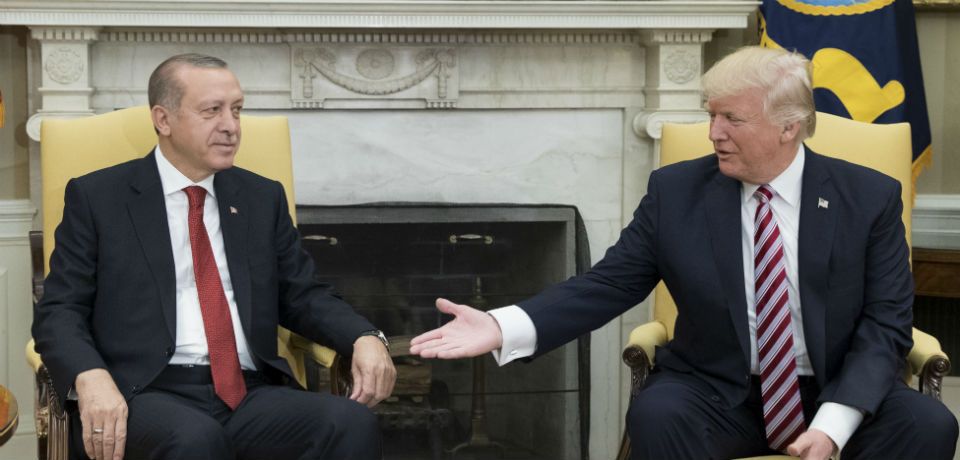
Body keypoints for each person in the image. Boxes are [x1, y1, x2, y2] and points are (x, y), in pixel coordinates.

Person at [410, 46, 958, 460]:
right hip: (718, 392)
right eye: (710, 115)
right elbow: (608, 283)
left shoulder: (867, 198)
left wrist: (832, 426)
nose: (713, 132)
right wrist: (503, 325)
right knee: (658, 414)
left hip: (837, 385)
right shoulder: (677, 192)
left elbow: (885, 323)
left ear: (789, 126)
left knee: (928, 425)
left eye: (732, 119)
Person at [32, 54, 396, 460]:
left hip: (248, 393)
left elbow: (302, 294)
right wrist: (90, 376)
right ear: (163, 120)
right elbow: (59, 310)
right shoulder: (99, 197)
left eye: (236, 110)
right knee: (196, 439)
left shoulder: (261, 197)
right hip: (144, 392)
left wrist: (364, 336)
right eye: (212, 111)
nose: (231, 126)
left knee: (350, 423)